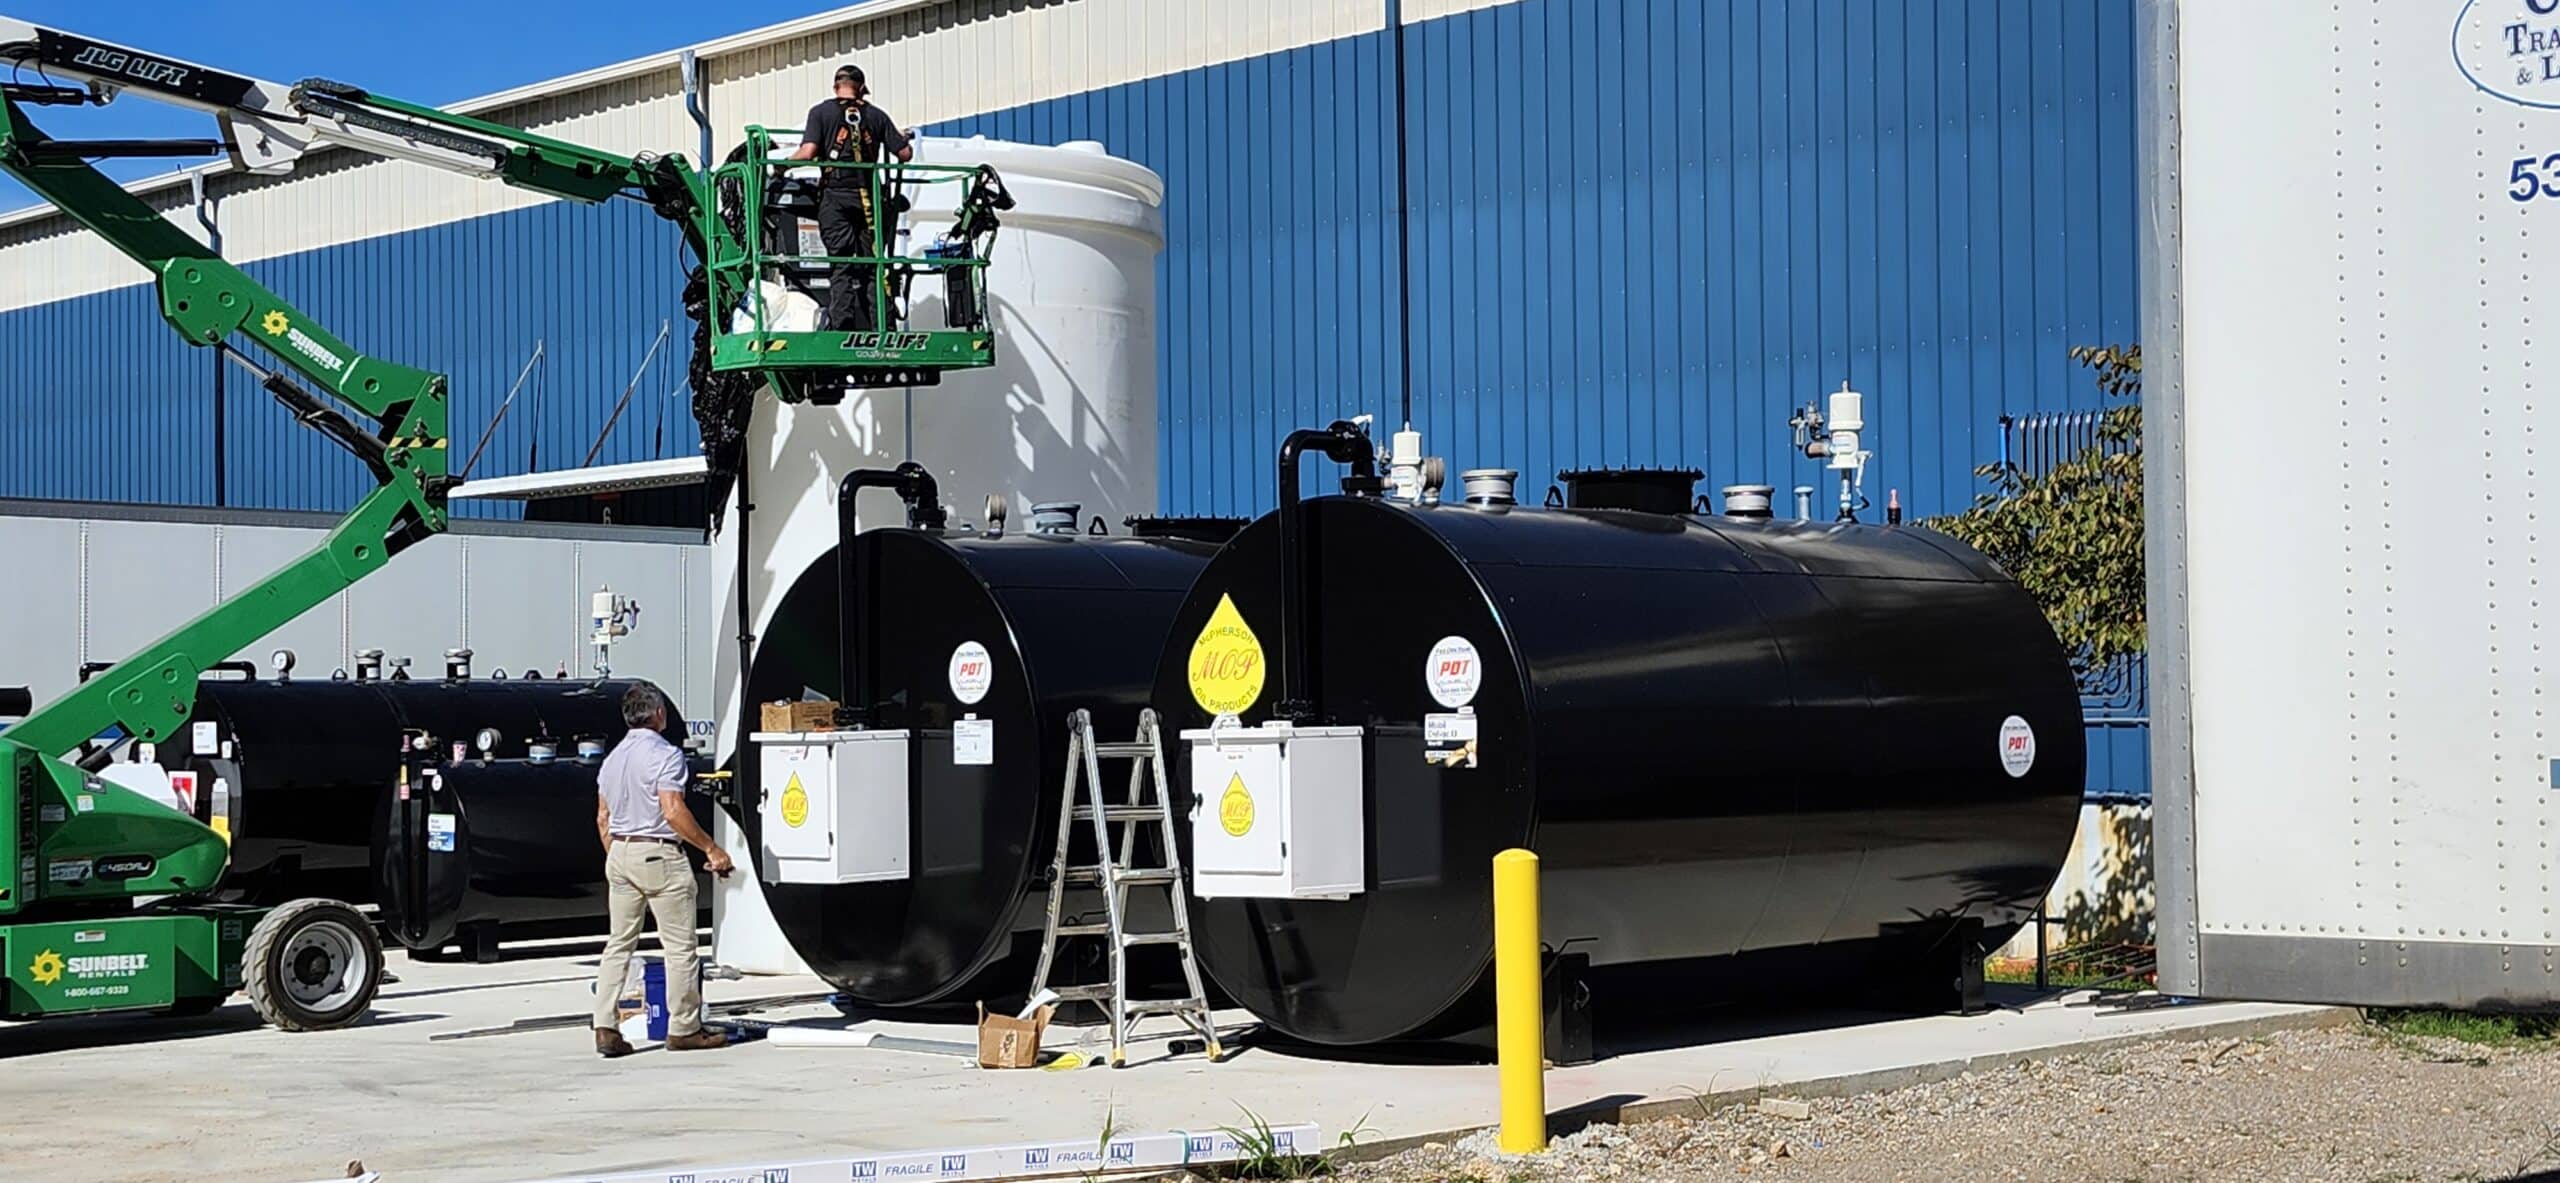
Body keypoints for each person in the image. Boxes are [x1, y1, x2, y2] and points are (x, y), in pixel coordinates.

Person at [591, 680, 734, 1056]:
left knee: (618, 944)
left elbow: (603, 818)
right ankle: (684, 1027)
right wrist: (711, 848)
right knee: (679, 948)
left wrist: (617, 856)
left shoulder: (611, 760)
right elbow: (672, 810)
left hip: (620, 853)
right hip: (657, 853)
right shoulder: (667, 756)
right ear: (659, 714)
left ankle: (605, 1025)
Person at [793, 63, 914, 332]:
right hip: (870, 199)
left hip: (834, 198)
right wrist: (900, 137)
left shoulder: (820, 113)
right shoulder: (877, 116)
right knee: (873, 264)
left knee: (841, 264)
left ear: (836, 86)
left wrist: (780, 165)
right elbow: (905, 155)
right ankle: (882, 327)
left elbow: (809, 151)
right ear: (861, 88)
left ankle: (842, 328)